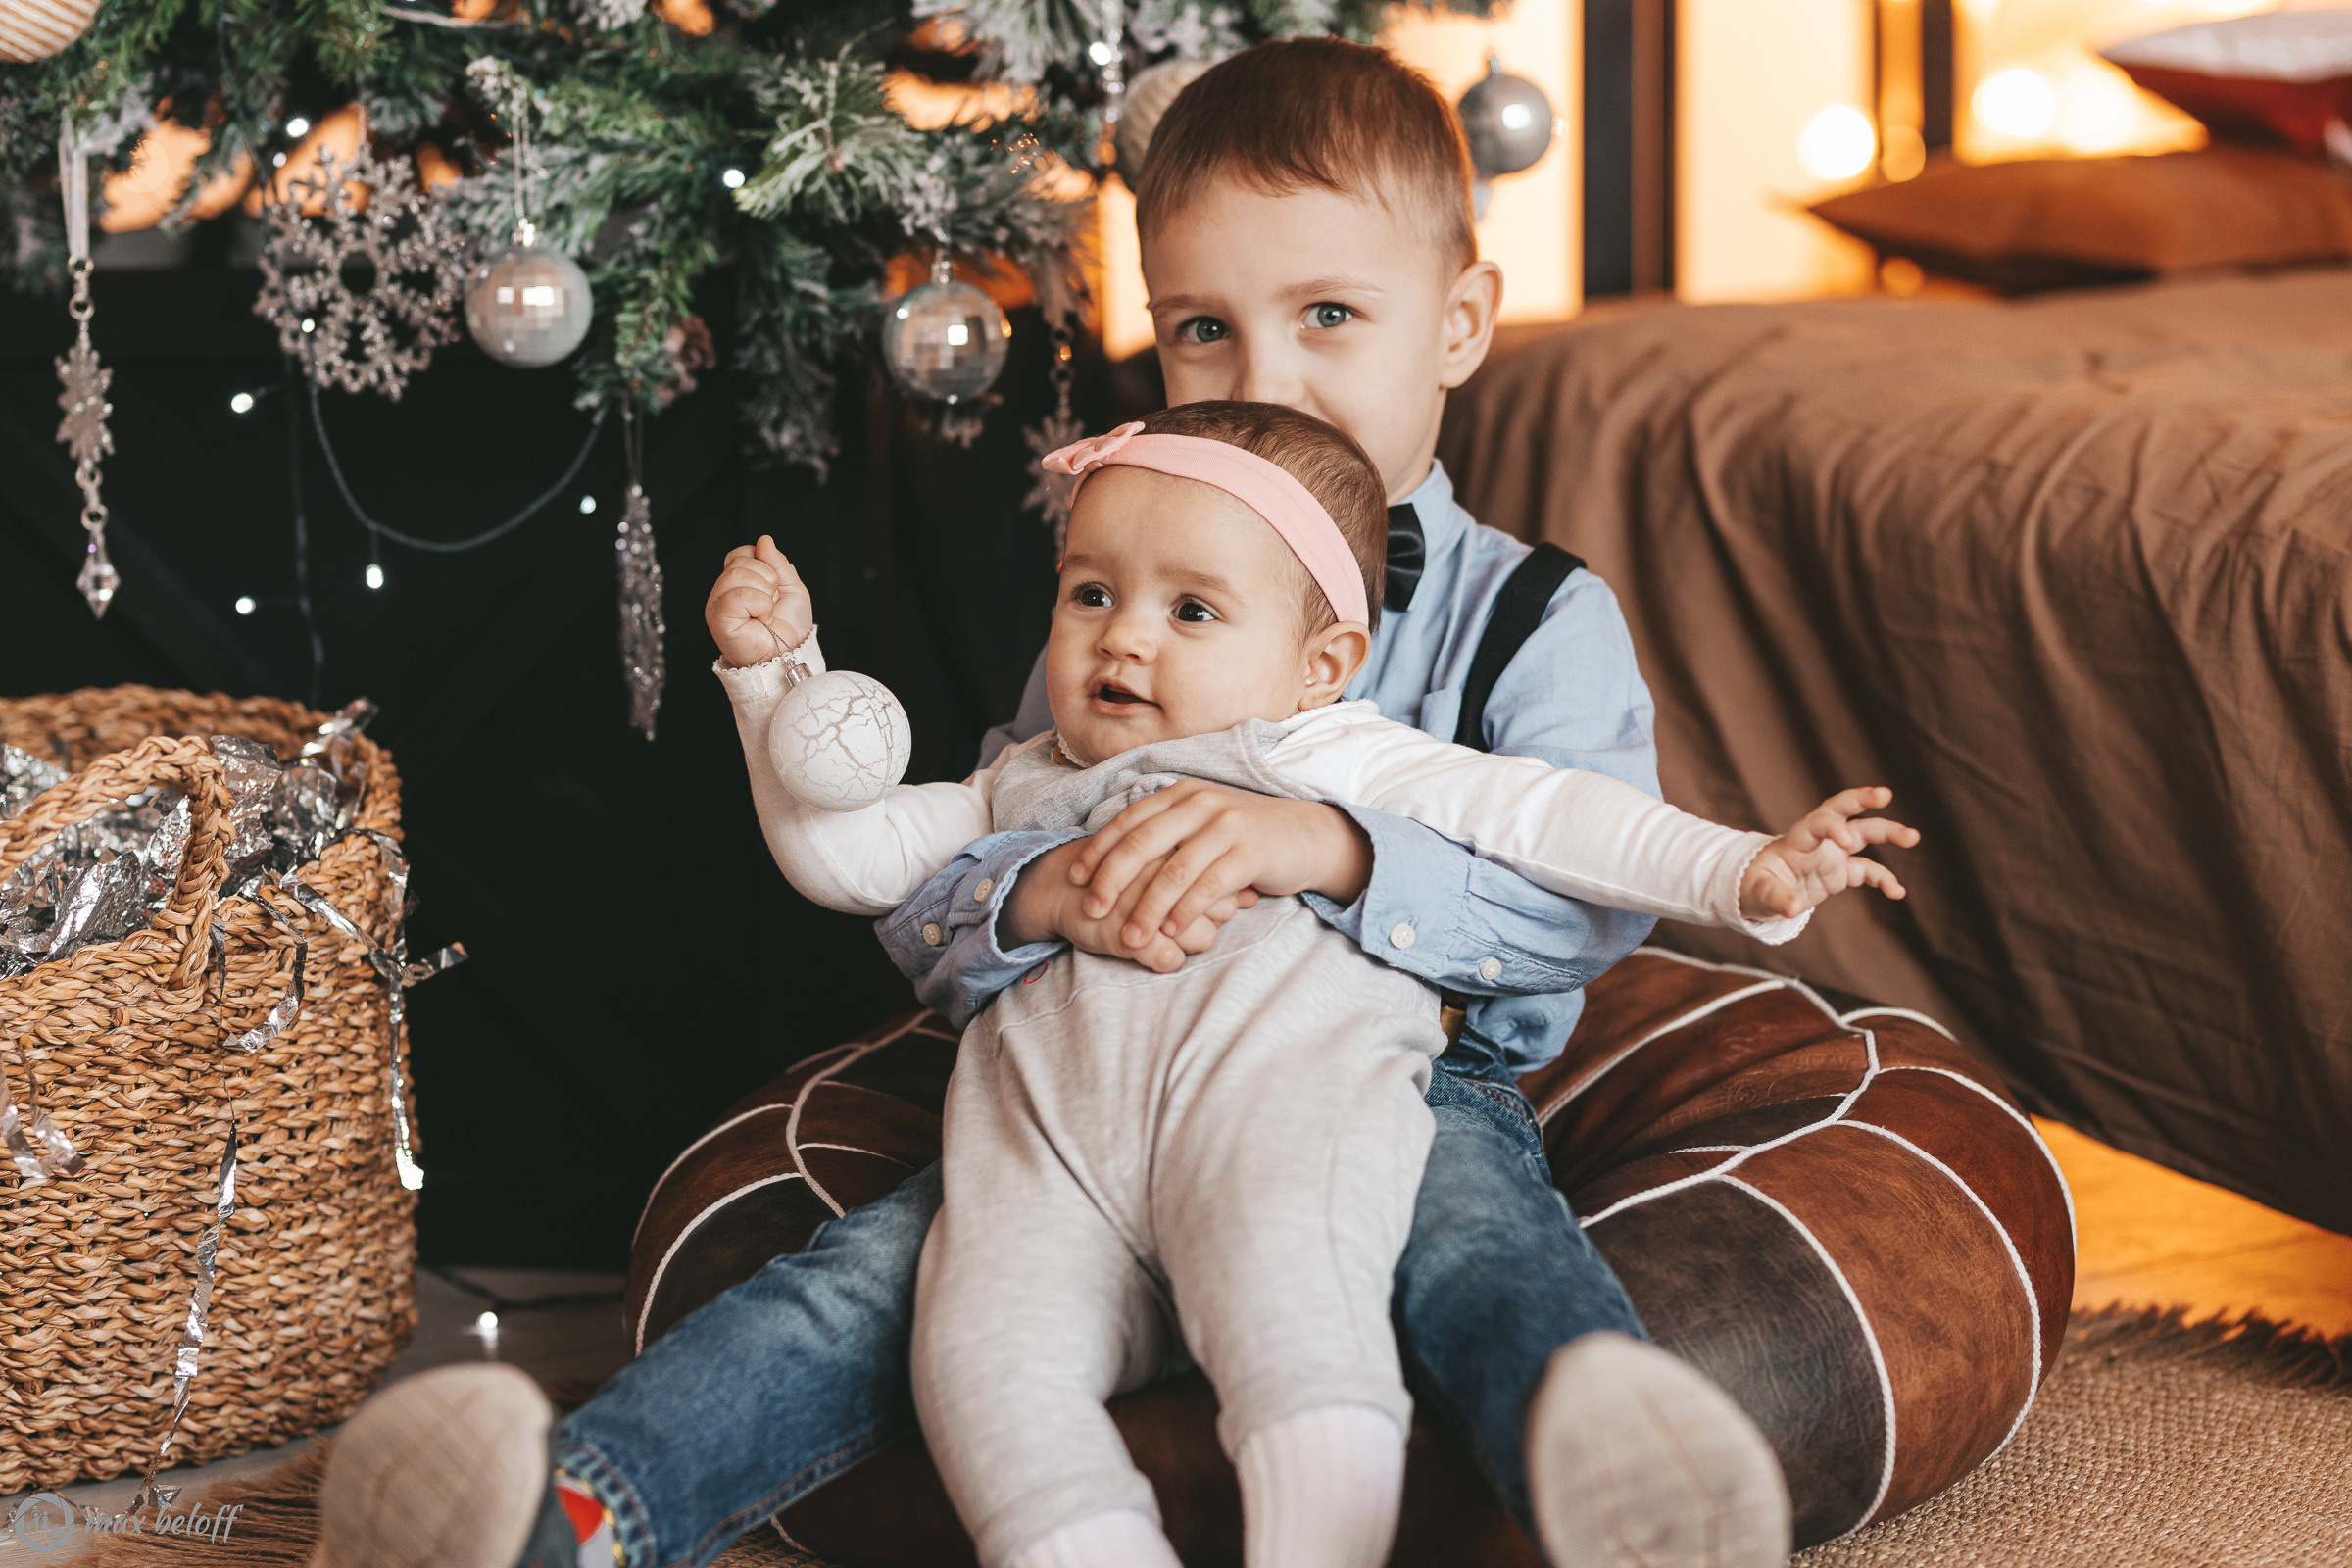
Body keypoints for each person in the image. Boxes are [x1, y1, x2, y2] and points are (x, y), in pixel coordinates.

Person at [308, 37, 1822, 1568]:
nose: (1266, 380)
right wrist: (1035, 899)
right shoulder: (1123, 607)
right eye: (1205, 332)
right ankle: (560, 1523)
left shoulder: (1535, 616)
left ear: (1460, 322)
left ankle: (1619, 1493)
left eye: (1332, 318)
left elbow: (1588, 891)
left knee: (1480, 1247)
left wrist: (1342, 850)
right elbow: (947, 855)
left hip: (1390, 1090)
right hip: (1080, 1090)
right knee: (864, 1290)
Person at [721, 399, 1914, 1568]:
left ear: (1318, 667)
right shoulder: (1016, 783)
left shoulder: (1328, 752)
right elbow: (848, 856)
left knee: (1289, 1314)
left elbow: (1550, 813)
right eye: (1092, 592)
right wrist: (775, 681)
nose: (1123, 636)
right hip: (1047, 1165)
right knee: (979, 1363)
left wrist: (1742, 867)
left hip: (1273, 1121)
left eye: (1191, 609)